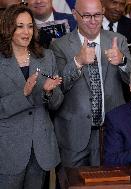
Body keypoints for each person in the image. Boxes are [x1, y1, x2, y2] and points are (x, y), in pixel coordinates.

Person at [50, 0, 131, 167]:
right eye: (87, 16)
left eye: (97, 15)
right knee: (72, 183)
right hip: (73, 134)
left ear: (102, 12)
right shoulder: (59, 46)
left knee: (110, 183)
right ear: (75, 14)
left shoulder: (118, 40)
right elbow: (57, 89)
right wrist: (77, 62)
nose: (93, 20)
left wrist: (123, 61)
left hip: (112, 131)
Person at [0, 4, 63, 189]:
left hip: (41, 148)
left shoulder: (47, 57)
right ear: (7, 28)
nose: (26, 31)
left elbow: (57, 104)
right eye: (19, 26)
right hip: (8, 149)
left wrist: (49, 92)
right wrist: (24, 94)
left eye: (29, 26)